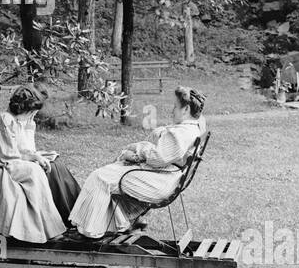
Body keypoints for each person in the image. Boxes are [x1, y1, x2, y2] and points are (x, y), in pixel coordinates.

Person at [67, 86, 207, 240]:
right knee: (112, 170)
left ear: (186, 109)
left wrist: (139, 150)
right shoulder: (192, 129)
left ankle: (89, 231)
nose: (172, 111)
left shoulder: (179, 133)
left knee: (100, 177)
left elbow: (158, 158)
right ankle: (107, 224)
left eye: (175, 106)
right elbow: (167, 155)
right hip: (169, 178)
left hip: (159, 184)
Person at [0, 84, 80, 243]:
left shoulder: (15, 120)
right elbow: (9, 157)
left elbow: (22, 150)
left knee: (39, 167)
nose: (33, 115)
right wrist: (34, 158)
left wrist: (33, 148)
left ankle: (50, 227)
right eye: (31, 112)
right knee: (33, 171)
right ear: (24, 109)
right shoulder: (6, 119)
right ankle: (48, 231)